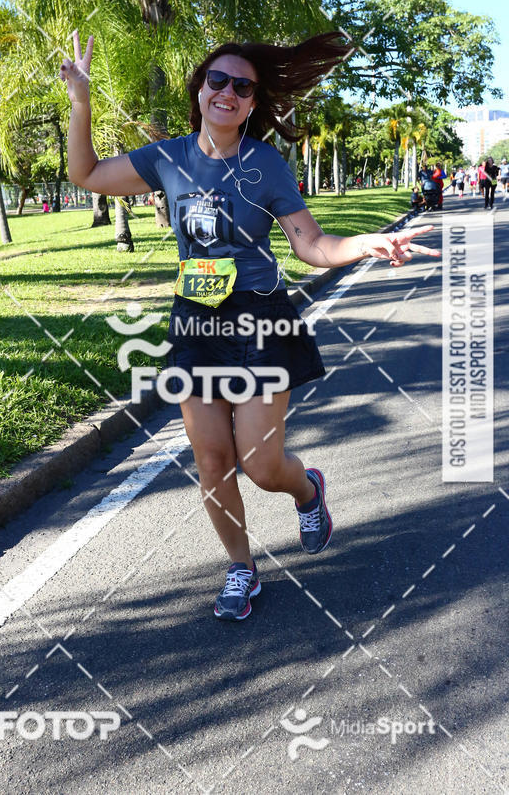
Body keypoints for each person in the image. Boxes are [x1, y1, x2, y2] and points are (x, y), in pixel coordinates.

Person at [60, 30, 441, 622]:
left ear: (253, 103)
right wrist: (81, 100)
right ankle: (241, 568)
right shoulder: (167, 158)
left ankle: (307, 488)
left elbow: (310, 245)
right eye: (219, 80)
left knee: (261, 466)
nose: (229, 92)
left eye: (243, 87)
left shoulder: (265, 163)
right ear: (200, 89)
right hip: (195, 325)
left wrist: (367, 243)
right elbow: (84, 174)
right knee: (211, 461)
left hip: (260, 320)